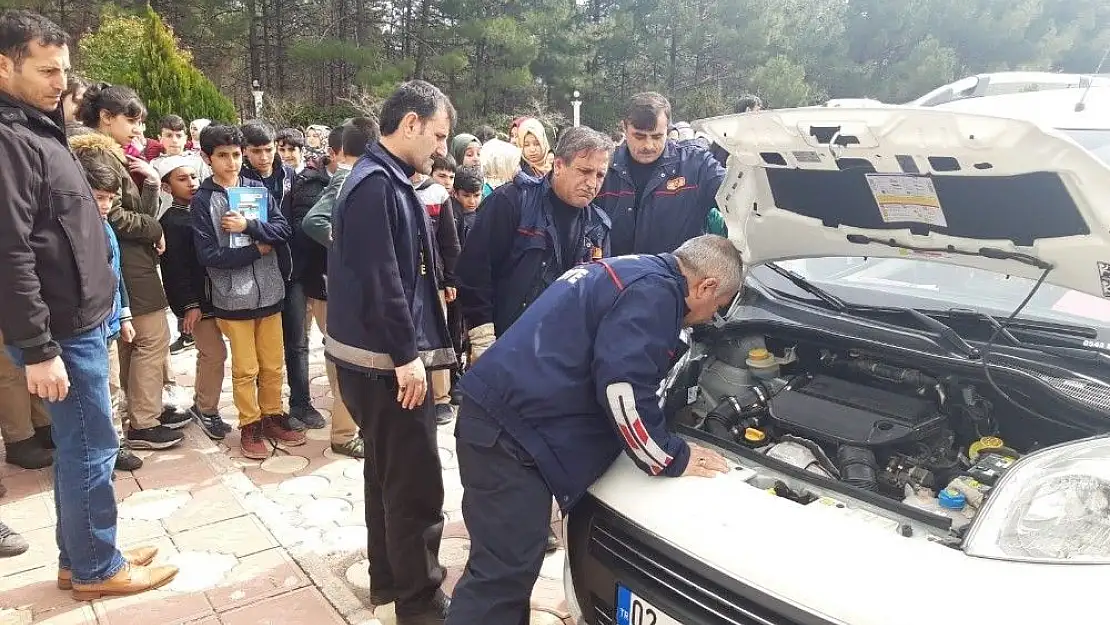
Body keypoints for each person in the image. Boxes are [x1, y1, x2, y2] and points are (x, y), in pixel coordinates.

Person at [446, 235, 739, 625]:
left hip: (504, 421)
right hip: (508, 436)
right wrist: (670, 455)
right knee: (498, 577)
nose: (712, 318)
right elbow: (622, 389)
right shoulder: (655, 294)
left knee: (512, 568)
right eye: (717, 308)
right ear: (706, 286)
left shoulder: (635, 268)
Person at [0, 9, 176, 596]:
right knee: (90, 449)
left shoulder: (38, 128)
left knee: (85, 447)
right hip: (61, 331)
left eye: (65, 71)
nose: (61, 83)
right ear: (4, 65)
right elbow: (11, 252)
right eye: (47, 70)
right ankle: (98, 568)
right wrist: (37, 346)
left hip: (80, 321)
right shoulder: (9, 139)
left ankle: (83, 553)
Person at [326, 80, 455, 625]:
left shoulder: (384, 178)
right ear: (411, 124)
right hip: (384, 365)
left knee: (385, 475)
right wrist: (408, 358)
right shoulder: (377, 184)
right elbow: (385, 280)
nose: (441, 149)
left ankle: (389, 577)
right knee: (415, 484)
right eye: (438, 136)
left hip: (369, 360)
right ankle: (420, 603)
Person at [454, 125, 614, 552]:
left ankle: (534, 521)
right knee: (495, 448)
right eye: (584, 171)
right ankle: (489, 536)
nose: (592, 183)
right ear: (556, 165)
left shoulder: (598, 224)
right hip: (505, 346)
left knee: (543, 443)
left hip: (560, 360)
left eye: (600, 175)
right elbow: (472, 271)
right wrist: (481, 334)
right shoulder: (510, 204)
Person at [72, 83, 190, 450]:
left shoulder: (113, 153)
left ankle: (143, 409)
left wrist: (152, 184)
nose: (138, 130)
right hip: (125, 261)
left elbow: (136, 208)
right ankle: (143, 421)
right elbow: (115, 215)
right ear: (105, 118)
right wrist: (156, 228)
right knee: (152, 337)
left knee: (138, 341)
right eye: (131, 121)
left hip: (133, 257)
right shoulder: (95, 155)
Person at [192, 124, 302, 459]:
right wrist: (256, 250)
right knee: (245, 368)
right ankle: (250, 424)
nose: (232, 162)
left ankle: (272, 415)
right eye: (222, 156)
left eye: (236, 155)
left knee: (273, 364)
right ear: (207, 158)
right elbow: (208, 255)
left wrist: (250, 226)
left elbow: (283, 229)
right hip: (232, 298)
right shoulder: (204, 200)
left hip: (270, 293)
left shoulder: (257, 189)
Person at [299, 119, 379, 459]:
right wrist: (346, 247)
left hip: (349, 288)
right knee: (343, 358)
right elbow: (314, 221)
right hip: (335, 290)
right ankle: (344, 433)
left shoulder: (359, 175)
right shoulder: (347, 178)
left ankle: (352, 427)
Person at [155, 155, 230, 441]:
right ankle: (206, 408)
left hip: (222, 295)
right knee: (214, 353)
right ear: (166, 187)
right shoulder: (172, 221)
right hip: (200, 302)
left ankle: (204, 403)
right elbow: (174, 270)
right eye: (182, 179)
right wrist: (189, 305)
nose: (191, 184)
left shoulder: (206, 209)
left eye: (193, 177)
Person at [596, 92, 727, 256]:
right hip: (616, 275)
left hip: (675, 277)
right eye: (639, 136)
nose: (648, 145)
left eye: (657, 136)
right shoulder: (604, 167)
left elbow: (738, 200)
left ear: (669, 130)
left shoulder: (697, 164)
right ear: (624, 128)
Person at [79, 159, 144, 472]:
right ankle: (97, 452)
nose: (104, 205)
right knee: (91, 394)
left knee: (113, 387)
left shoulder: (107, 228)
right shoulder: (74, 230)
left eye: (109, 198)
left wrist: (125, 315)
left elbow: (117, 275)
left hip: (110, 323)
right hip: (84, 327)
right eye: (97, 197)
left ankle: (116, 444)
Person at [413, 165, 461, 426]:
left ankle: (441, 397)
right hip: (404, 281)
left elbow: (449, 241)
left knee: (437, 333)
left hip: (435, 278)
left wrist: (451, 278)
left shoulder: (436, 193)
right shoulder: (391, 186)